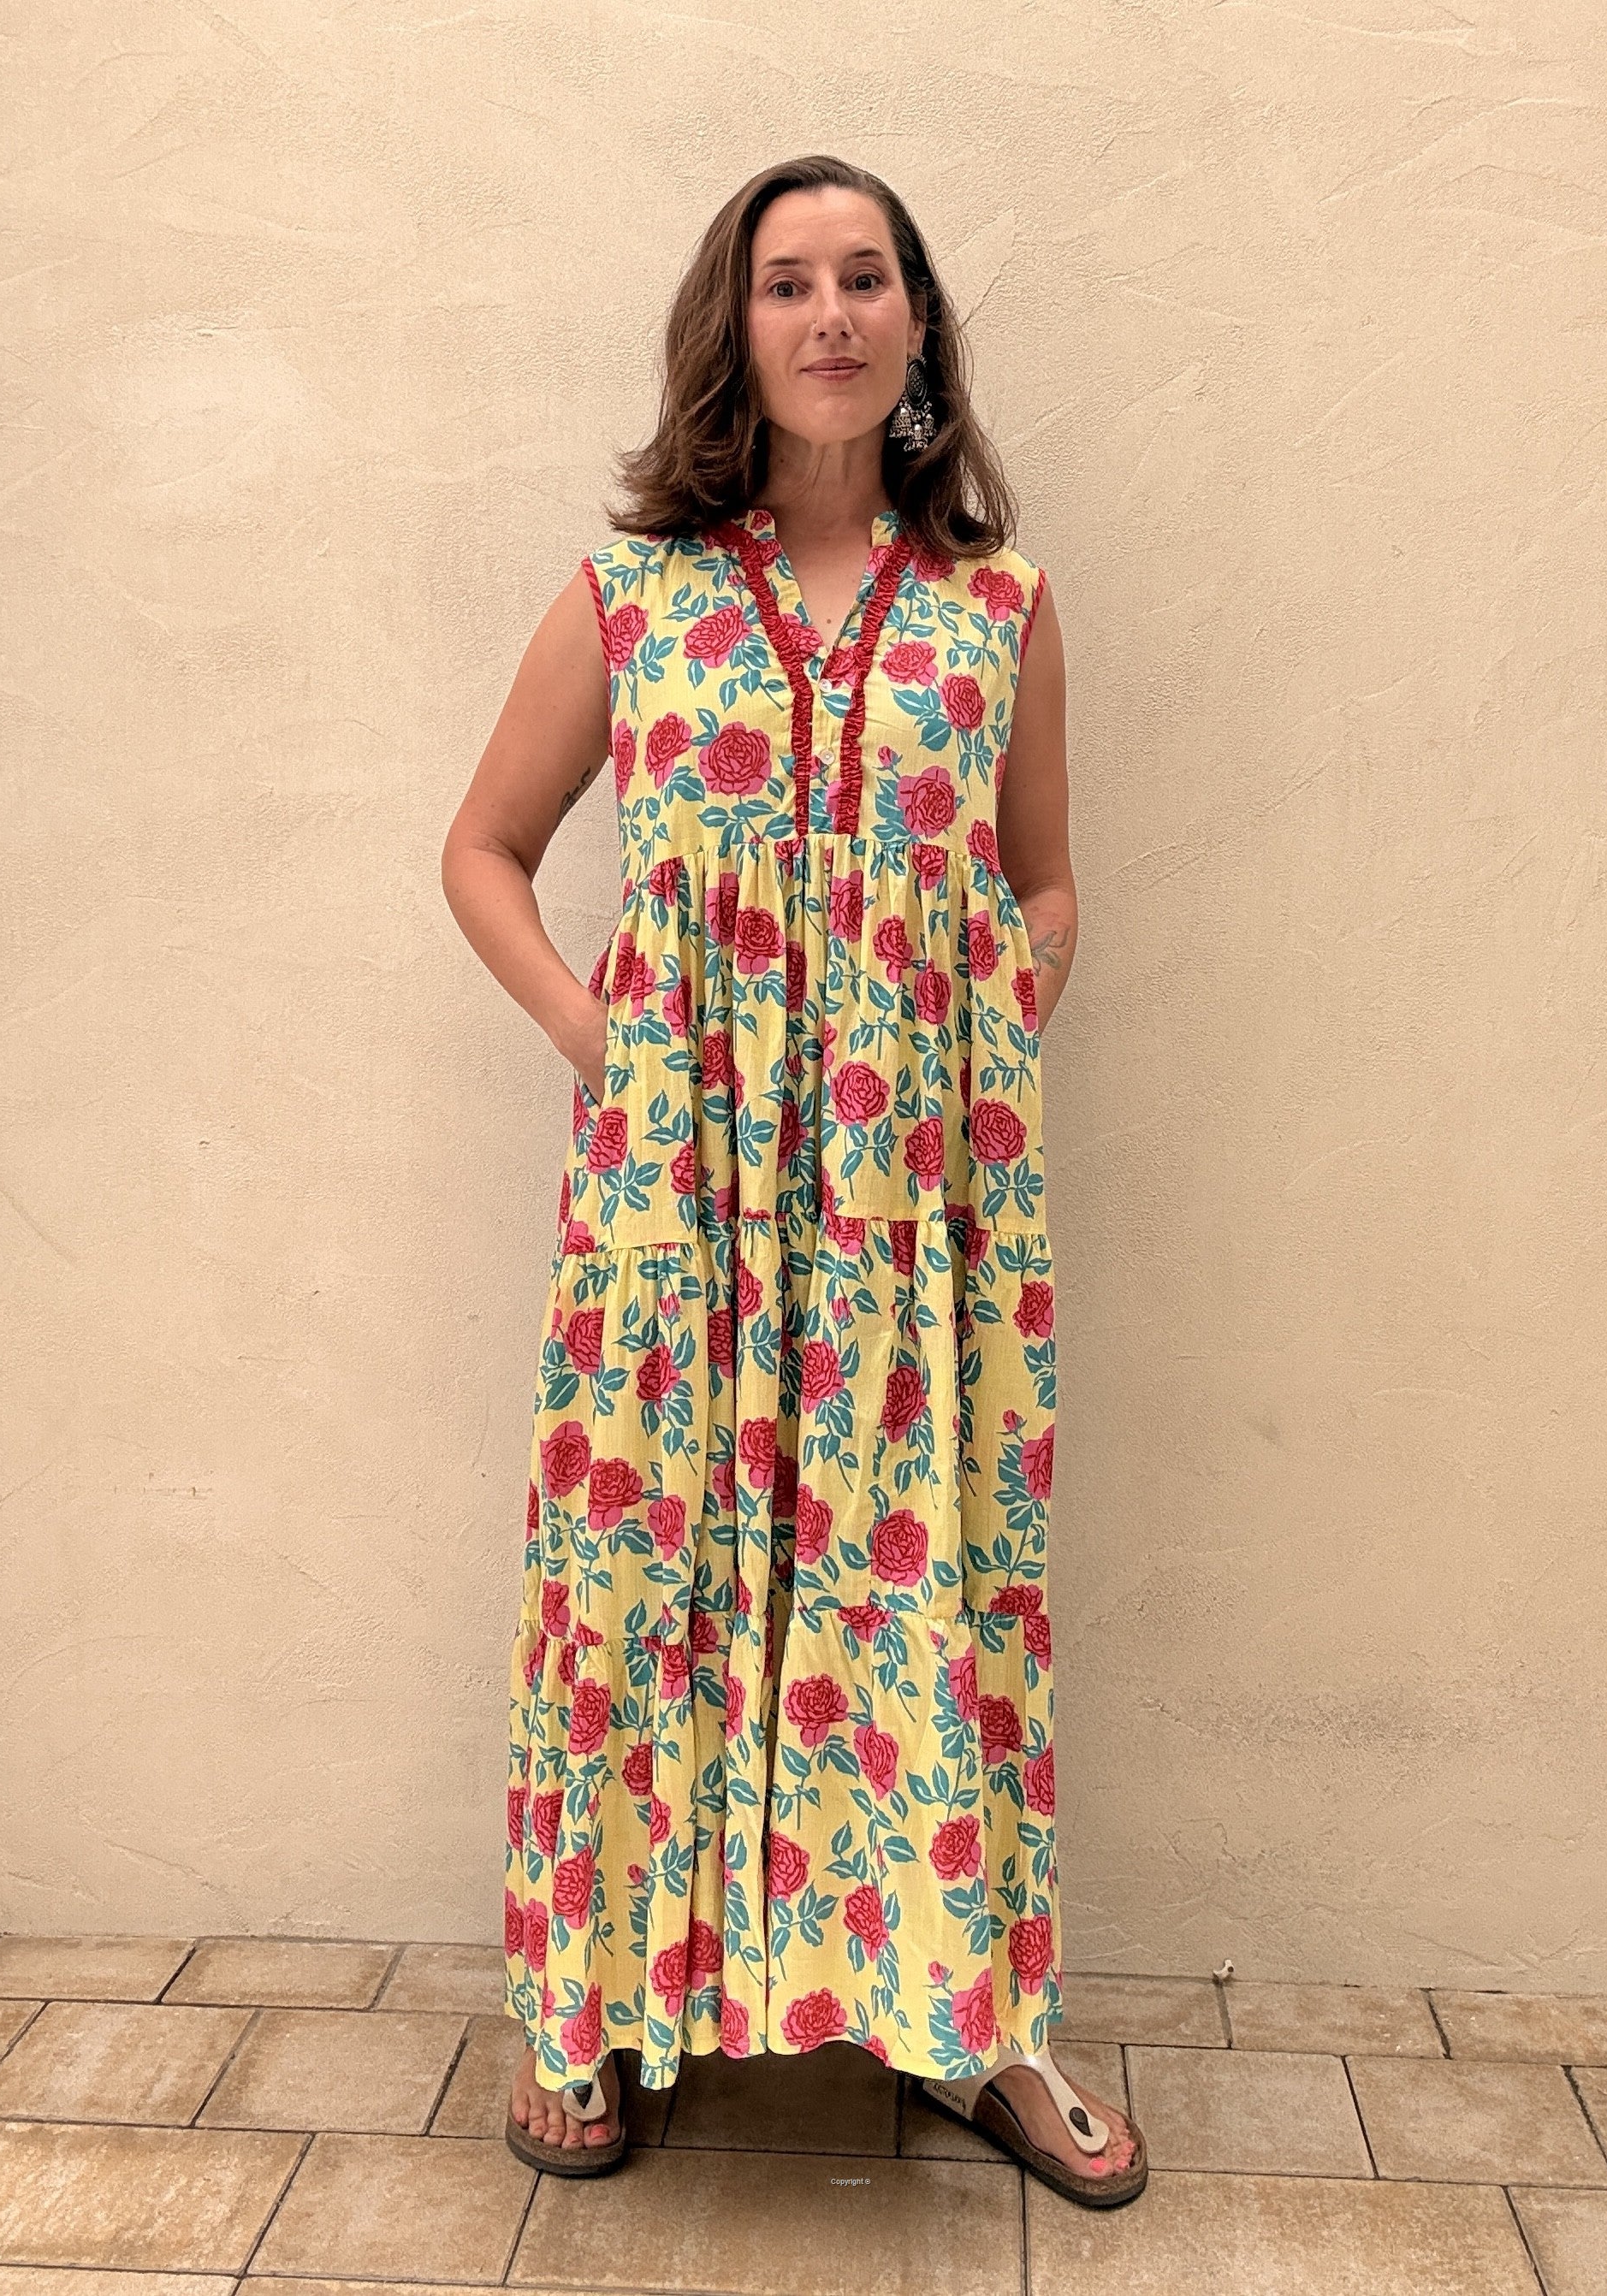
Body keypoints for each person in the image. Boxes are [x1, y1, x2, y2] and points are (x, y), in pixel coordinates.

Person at [441, 152, 1146, 2211]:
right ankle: (586, 2001)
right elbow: (482, 845)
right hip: (685, 1210)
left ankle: (975, 2014)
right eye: (785, 281)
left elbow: (1042, 878)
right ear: (732, 326)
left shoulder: (996, 606)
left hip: (920, 1224)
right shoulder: (632, 594)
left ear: (918, 325)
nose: (828, 312)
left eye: (865, 278)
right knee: (647, 1589)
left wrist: (997, 1012)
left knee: (932, 1581)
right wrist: (602, 1040)